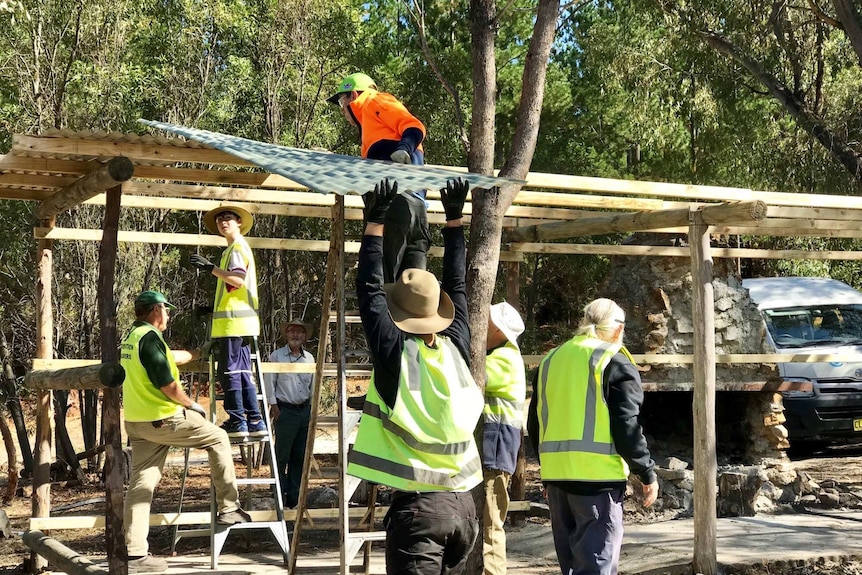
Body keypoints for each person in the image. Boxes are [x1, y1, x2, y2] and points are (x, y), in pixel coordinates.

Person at [347, 177, 483, 575]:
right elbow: (457, 285)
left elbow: (369, 289)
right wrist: (456, 221)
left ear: (398, 314)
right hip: (464, 509)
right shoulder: (456, 346)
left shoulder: (395, 354)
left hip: (421, 509)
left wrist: (374, 224)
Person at [527, 298, 659, 575]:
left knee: (572, 567)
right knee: (596, 566)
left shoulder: (550, 360)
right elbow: (626, 425)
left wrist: (546, 472)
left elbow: (535, 421)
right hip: (597, 482)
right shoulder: (614, 361)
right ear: (617, 329)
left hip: (557, 480)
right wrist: (646, 472)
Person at [121, 290, 250, 574]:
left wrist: (199, 352)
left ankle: (133, 554)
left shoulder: (132, 337)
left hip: (137, 422)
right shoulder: (150, 339)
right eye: (165, 310)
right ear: (155, 310)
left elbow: (167, 358)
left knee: (142, 482)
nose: (167, 315)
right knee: (218, 437)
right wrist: (192, 404)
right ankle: (229, 506)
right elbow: (167, 384)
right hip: (163, 419)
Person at [327, 72, 430, 283]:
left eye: (340, 101)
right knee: (413, 290)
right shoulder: (372, 130)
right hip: (416, 208)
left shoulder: (375, 100)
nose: (342, 111)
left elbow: (414, 126)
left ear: (353, 95)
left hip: (396, 203)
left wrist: (404, 149)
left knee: (382, 281)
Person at [188, 205, 264, 437]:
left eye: (228, 218)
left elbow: (238, 280)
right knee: (241, 372)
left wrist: (210, 268)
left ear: (239, 222)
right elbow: (233, 289)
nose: (223, 222)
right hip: (239, 323)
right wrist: (212, 308)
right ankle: (255, 420)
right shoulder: (233, 249)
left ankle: (238, 419)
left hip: (234, 324)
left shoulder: (237, 249)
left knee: (230, 372)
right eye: (220, 219)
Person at [482, 302, 527, 575]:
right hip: (492, 448)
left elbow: (471, 376)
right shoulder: (499, 354)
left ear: (497, 328)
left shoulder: (505, 358)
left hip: (495, 449)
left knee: (490, 525)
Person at [264, 319, 315, 509]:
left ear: (304, 336)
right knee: (281, 456)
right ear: (286, 334)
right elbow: (270, 383)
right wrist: (275, 408)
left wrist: (311, 409)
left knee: (299, 457)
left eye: (299, 332)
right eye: (292, 331)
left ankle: (294, 499)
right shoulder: (276, 356)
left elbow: (313, 386)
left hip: (304, 412)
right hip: (285, 411)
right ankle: (278, 494)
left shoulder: (309, 358)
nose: (295, 335)